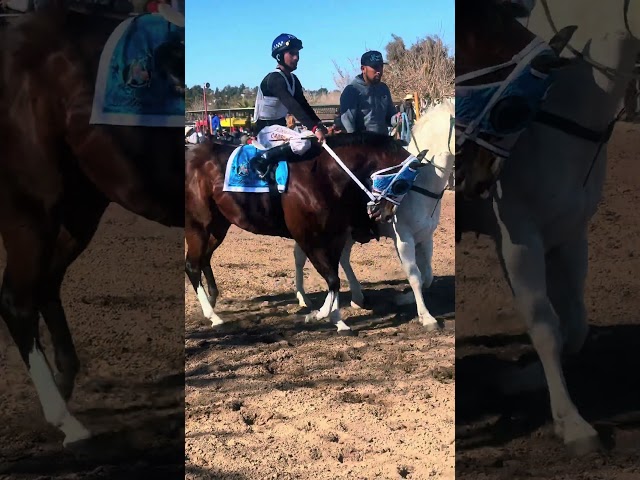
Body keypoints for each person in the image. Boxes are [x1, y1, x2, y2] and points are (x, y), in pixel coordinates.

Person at [250, 33, 328, 178]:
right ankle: (262, 160)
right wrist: (314, 128)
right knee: (302, 143)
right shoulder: (273, 79)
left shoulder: (293, 79)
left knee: (310, 140)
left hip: (279, 128)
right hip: (264, 130)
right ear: (279, 56)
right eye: (292, 53)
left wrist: (319, 124)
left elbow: (303, 105)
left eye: (297, 53)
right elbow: (292, 106)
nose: (296, 57)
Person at [338, 50, 399, 135]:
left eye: (381, 66)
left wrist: (396, 119)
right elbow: (348, 125)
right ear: (363, 69)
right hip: (363, 145)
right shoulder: (351, 91)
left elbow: (390, 116)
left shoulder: (383, 89)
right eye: (375, 67)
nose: (379, 71)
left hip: (384, 142)